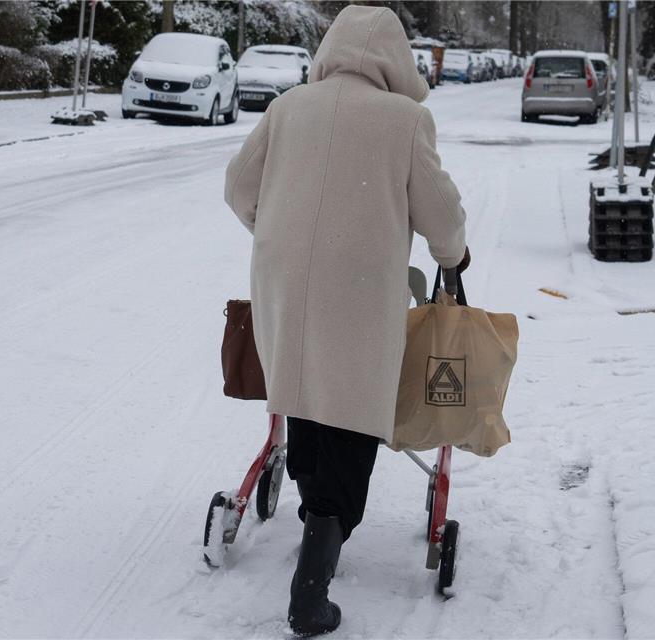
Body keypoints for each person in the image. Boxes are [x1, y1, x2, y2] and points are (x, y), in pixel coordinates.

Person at [224, 5, 468, 636]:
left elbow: (238, 188)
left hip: (285, 279)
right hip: (359, 289)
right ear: (397, 60)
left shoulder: (288, 108)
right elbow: (441, 216)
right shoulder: (405, 120)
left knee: (303, 394)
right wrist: (453, 256)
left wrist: (277, 229)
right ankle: (312, 586)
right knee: (352, 412)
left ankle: (314, 517)